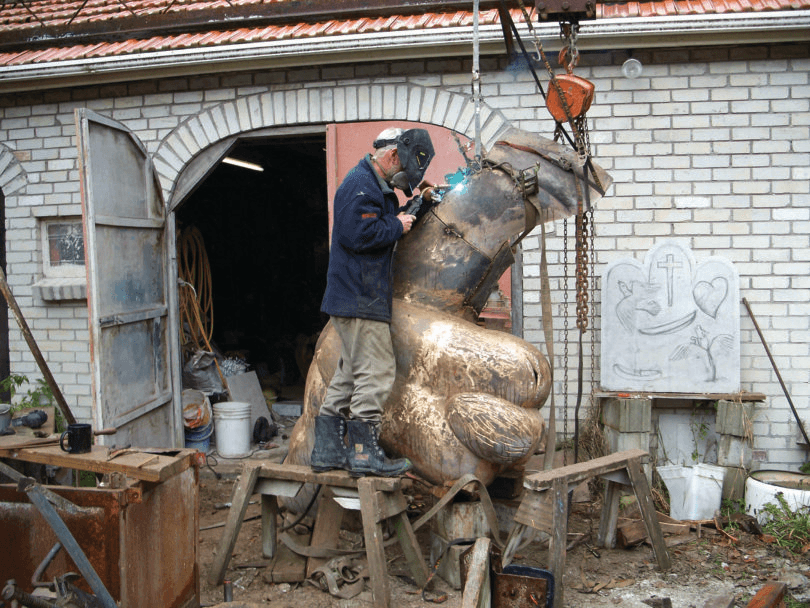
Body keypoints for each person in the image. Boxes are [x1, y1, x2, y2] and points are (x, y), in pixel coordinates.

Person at [311, 127, 435, 477]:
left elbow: (379, 223)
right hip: (360, 298)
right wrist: (397, 226)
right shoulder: (361, 185)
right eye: (404, 170)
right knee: (377, 371)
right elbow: (358, 235)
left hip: (351, 297)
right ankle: (364, 454)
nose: (403, 180)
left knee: (349, 373)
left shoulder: (371, 184)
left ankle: (327, 451)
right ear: (392, 156)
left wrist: (416, 208)